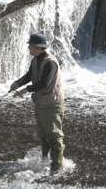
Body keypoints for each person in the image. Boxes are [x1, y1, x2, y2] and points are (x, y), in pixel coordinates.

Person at [9, 33, 65, 173]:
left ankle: (57, 166)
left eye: (31, 46)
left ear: (39, 48)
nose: (29, 48)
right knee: (43, 134)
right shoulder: (35, 60)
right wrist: (17, 83)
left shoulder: (51, 62)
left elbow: (45, 83)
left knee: (54, 135)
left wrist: (24, 90)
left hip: (52, 104)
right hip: (41, 102)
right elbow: (30, 75)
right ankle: (45, 161)